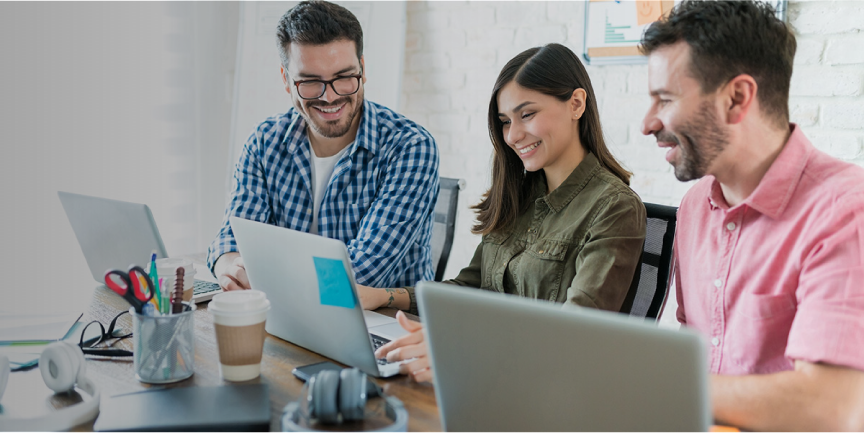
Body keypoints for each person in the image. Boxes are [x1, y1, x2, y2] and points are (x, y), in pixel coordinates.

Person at [639, 0, 864, 430]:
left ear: (737, 98)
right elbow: (696, 351)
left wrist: (658, 384)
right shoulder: (694, 207)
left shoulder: (845, 211)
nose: (648, 123)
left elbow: (832, 408)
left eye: (664, 99)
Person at [364, 43, 647, 382]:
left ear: (576, 104)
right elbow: (473, 288)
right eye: (504, 121)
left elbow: (575, 332)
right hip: (490, 372)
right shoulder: (518, 194)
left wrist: (459, 343)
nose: (512, 135)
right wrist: (384, 296)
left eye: (527, 114)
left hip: (547, 387)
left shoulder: (614, 207)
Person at [207, 0, 439, 291]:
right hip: (285, 313)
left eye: (344, 78)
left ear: (363, 69)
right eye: (311, 82)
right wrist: (230, 267)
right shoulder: (264, 143)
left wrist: (266, 276)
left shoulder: (410, 148)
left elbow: (362, 273)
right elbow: (231, 238)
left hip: (386, 325)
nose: (330, 97)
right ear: (287, 80)